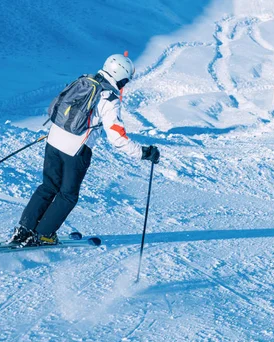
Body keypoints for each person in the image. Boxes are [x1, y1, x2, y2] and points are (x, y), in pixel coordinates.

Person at [8, 53, 161, 246]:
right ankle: (44, 234)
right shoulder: (109, 98)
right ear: (120, 76)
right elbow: (117, 138)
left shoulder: (84, 80)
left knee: (48, 187)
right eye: (125, 80)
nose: (124, 85)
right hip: (76, 150)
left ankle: (24, 229)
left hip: (53, 140)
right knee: (68, 195)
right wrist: (144, 153)